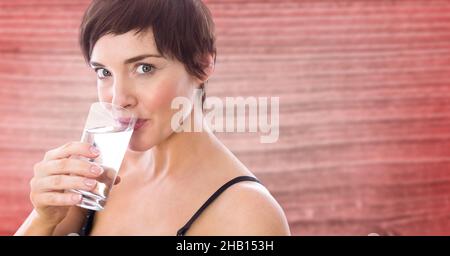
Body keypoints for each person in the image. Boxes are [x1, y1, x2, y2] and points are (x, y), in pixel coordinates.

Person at [15, 0, 290, 236]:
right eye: (104, 73)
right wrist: (43, 218)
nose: (118, 98)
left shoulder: (247, 216)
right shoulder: (97, 176)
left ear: (203, 65)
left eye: (144, 68)